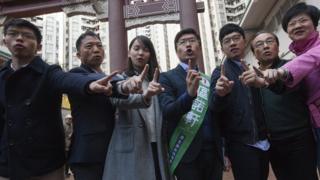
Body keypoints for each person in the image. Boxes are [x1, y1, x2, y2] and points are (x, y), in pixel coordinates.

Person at [0, 18, 124, 179]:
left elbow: (68, 80)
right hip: (7, 164)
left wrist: (90, 85)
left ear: (39, 46)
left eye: (27, 35)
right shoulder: (2, 77)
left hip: (45, 165)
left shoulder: (49, 72)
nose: (19, 38)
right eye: (13, 34)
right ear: (4, 41)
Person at [67, 31, 149, 180]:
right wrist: (124, 84)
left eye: (99, 45)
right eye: (89, 46)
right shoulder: (76, 74)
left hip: (115, 149)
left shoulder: (114, 78)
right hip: (89, 155)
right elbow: (106, 82)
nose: (96, 49)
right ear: (78, 55)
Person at [241, 31, 318, 180]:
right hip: (273, 143)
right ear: (254, 54)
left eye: (270, 41)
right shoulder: (252, 77)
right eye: (259, 44)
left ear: (277, 46)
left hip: (299, 139)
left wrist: (276, 76)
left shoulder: (291, 67)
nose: (265, 46)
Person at [254, 3, 320, 172]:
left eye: (302, 21)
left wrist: (281, 72)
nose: (297, 25)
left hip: (301, 137)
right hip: (300, 132)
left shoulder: (296, 61)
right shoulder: (250, 76)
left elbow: (310, 59)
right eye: (292, 24)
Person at [158, 28, 223, 180]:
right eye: (183, 42)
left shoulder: (208, 79)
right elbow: (168, 111)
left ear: (199, 48)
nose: (188, 45)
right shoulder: (166, 78)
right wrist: (189, 95)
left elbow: (217, 114)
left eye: (192, 41)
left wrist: (222, 95)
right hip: (185, 154)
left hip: (213, 153)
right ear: (176, 50)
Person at [103, 35, 171, 180]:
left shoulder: (158, 80)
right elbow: (117, 100)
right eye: (136, 48)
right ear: (129, 53)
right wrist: (144, 96)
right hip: (133, 145)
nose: (140, 53)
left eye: (145, 50)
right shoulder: (121, 79)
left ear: (150, 54)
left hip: (158, 143)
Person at [211, 23, 269, 180]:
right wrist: (219, 94)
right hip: (240, 145)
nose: (232, 43)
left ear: (244, 41)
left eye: (236, 38)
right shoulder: (220, 72)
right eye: (227, 41)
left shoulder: (254, 69)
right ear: (222, 48)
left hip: (264, 141)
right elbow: (214, 108)